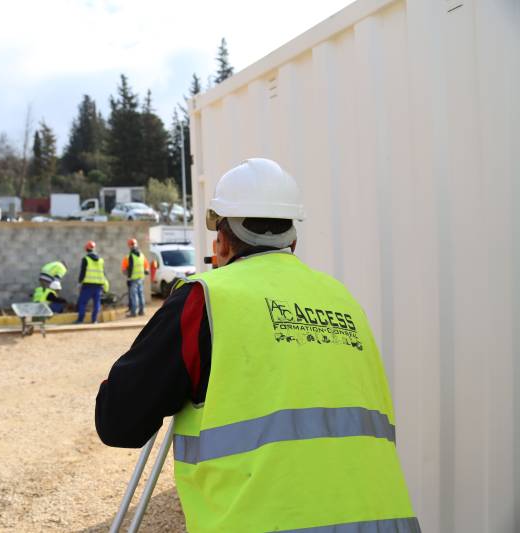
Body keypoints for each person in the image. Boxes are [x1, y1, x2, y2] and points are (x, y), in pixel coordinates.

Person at [95, 158, 419, 532]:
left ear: (222, 239)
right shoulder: (343, 300)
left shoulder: (207, 301)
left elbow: (118, 422)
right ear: (292, 239)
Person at [75, 241, 106, 324]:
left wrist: (79, 282)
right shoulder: (101, 260)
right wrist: (103, 285)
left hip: (88, 285)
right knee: (96, 303)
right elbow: (103, 273)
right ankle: (94, 320)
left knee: (82, 302)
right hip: (98, 286)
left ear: (86, 249)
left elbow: (83, 272)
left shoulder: (85, 259)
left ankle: (80, 320)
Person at [121, 238, 149, 317]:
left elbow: (125, 269)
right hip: (141, 278)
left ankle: (133, 312)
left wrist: (128, 276)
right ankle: (142, 311)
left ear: (129, 246)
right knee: (141, 295)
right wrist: (145, 271)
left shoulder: (129, 256)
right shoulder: (141, 255)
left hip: (133, 279)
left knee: (134, 296)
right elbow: (146, 266)